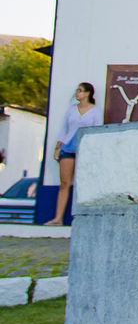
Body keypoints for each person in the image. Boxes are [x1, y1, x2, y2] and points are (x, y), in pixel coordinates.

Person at [44, 81, 100, 226]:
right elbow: (64, 129)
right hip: (68, 148)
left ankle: (85, 219)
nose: (77, 93)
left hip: (85, 150)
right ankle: (58, 218)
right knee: (65, 183)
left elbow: (97, 131)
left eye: (80, 90)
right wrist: (57, 147)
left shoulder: (96, 111)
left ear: (87, 93)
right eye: (77, 90)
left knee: (84, 183)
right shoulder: (71, 109)